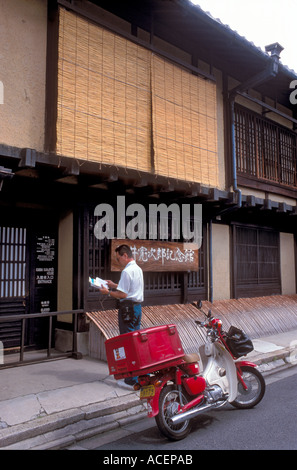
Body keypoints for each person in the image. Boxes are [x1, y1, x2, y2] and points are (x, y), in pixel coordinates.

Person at [99, 244, 144, 388]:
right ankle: (138, 375)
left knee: (127, 343)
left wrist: (108, 292)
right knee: (135, 341)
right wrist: (113, 285)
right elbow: (128, 288)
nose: (118, 261)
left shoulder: (126, 271)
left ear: (125, 256)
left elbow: (123, 294)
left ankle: (132, 379)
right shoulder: (137, 269)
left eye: (119, 259)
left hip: (127, 309)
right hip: (137, 308)